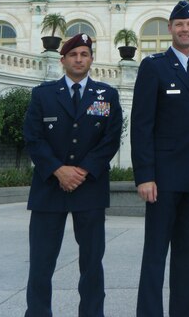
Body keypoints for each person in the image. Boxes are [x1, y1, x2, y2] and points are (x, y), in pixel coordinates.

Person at [23, 33, 123, 317]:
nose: (79, 59)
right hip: (48, 188)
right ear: (63, 60)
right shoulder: (43, 94)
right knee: (41, 263)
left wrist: (83, 171)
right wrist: (58, 169)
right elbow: (33, 137)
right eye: (74, 54)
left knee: (92, 263)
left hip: (89, 188)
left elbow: (110, 139)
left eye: (84, 54)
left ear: (91, 59)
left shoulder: (107, 95)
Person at [131, 0, 189, 317]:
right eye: (179, 24)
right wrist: (145, 175)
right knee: (155, 255)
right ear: (170, 29)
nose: (185, 29)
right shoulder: (154, 66)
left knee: (188, 258)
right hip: (162, 180)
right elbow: (142, 124)